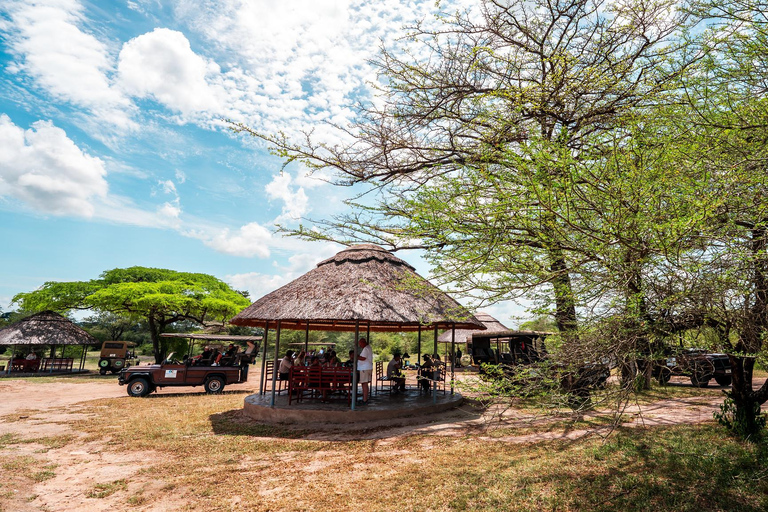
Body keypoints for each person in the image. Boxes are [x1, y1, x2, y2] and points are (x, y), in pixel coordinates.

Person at [357, 337, 373, 403]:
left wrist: (356, 357)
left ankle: (364, 399)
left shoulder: (366, 349)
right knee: (365, 384)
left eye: (360, 344)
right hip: (367, 367)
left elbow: (363, 358)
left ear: (363, 342)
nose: (360, 346)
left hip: (364, 368)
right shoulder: (368, 347)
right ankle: (365, 398)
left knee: (364, 384)